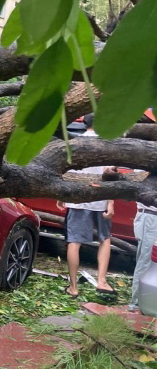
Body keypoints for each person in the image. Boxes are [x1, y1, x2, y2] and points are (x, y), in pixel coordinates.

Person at [57, 114, 116, 298]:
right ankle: (101, 281)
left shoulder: (74, 144)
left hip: (77, 199)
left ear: (84, 124)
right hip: (101, 198)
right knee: (105, 239)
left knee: (74, 242)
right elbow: (111, 174)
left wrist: (61, 195)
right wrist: (111, 202)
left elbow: (65, 172)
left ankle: (73, 287)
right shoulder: (107, 144)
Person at [130, 191, 157, 312]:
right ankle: (136, 303)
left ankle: (140, 301)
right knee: (146, 263)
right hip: (152, 216)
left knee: (145, 261)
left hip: (147, 216)